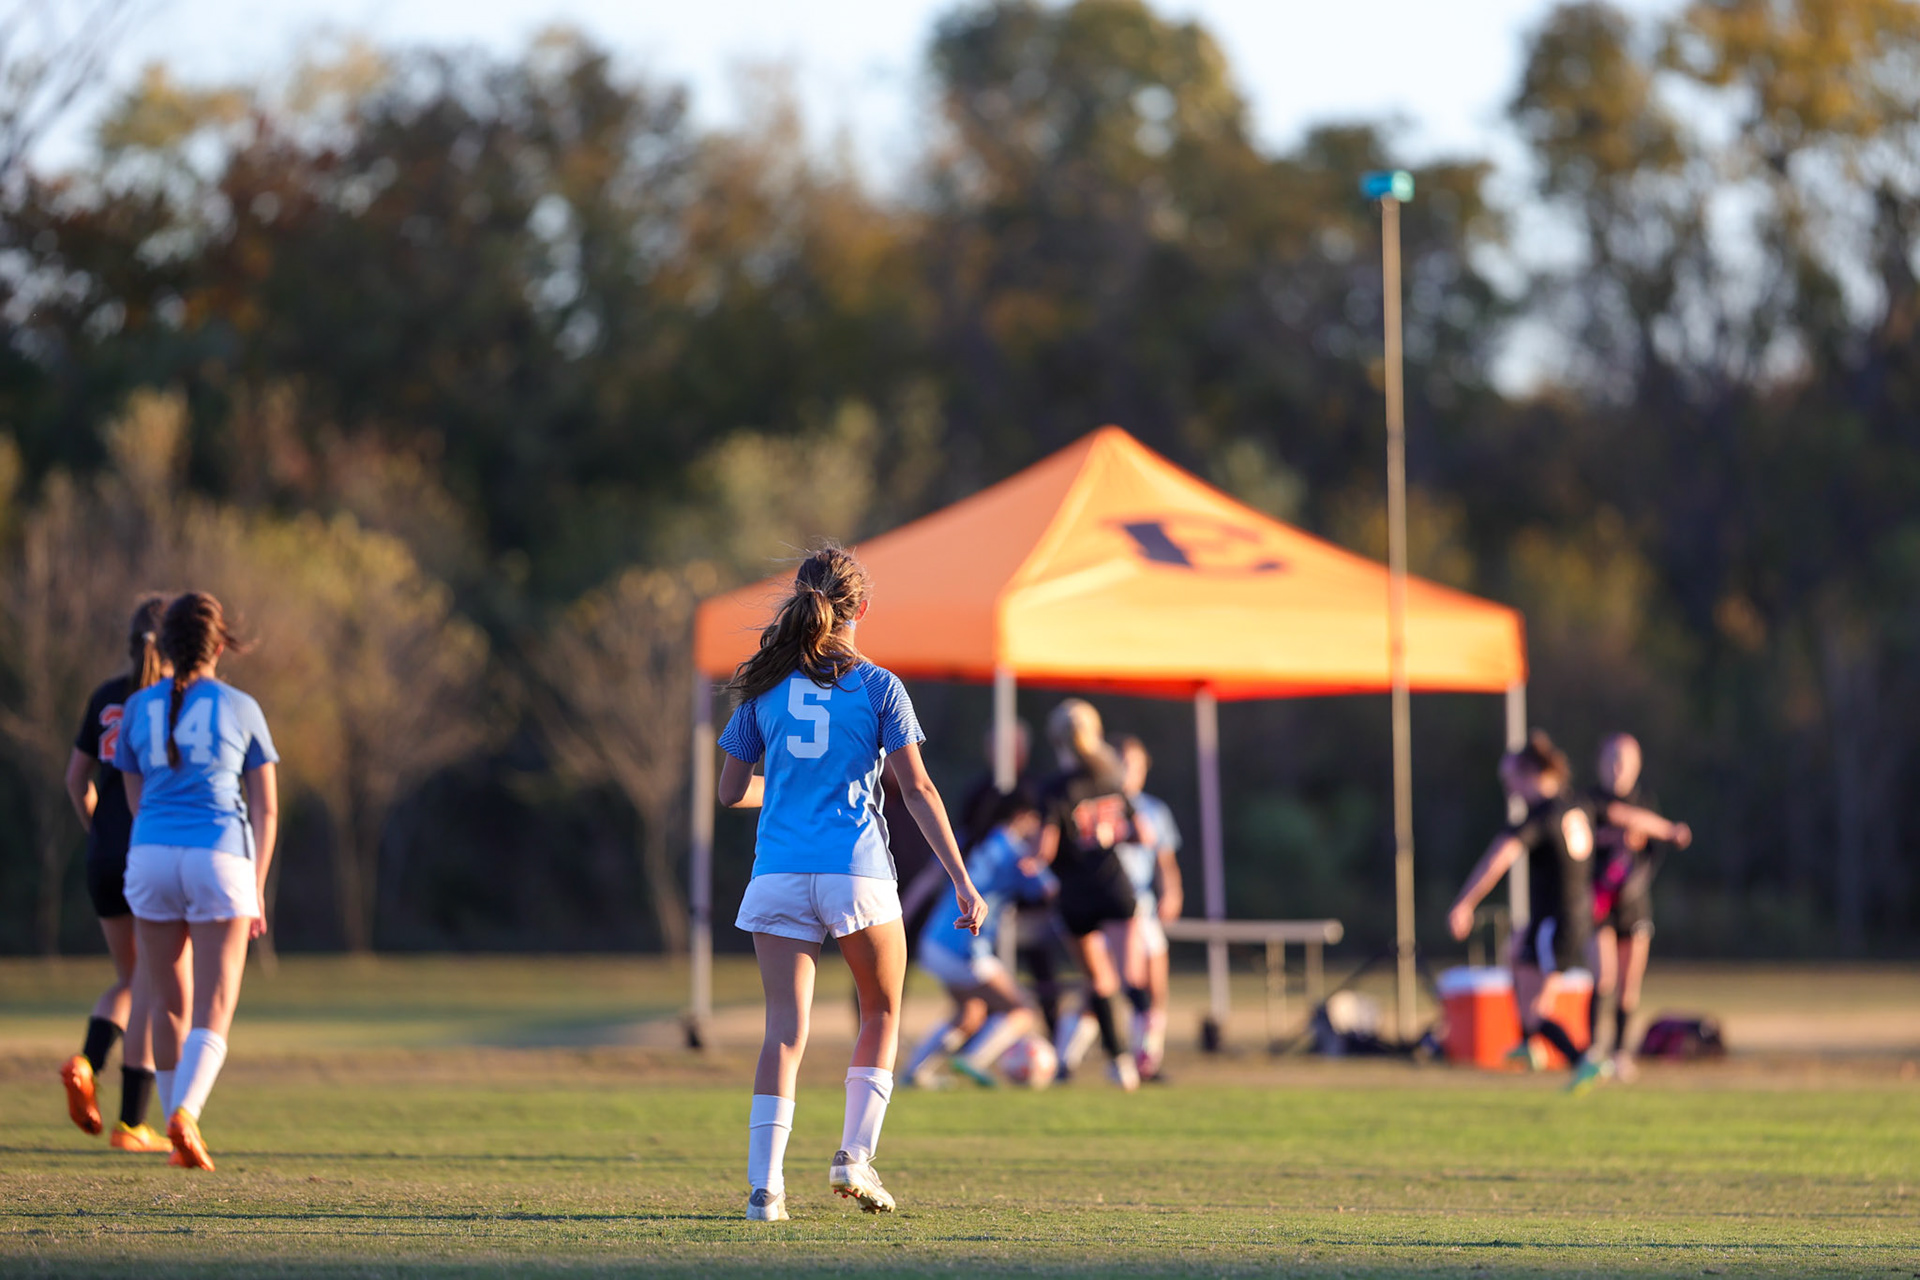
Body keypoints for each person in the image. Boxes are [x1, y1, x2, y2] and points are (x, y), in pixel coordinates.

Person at [717, 545, 985, 1223]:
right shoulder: (879, 686)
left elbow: (729, 791)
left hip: (777, 873)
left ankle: (763, 1191)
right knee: (882, 1013)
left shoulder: (763, 684)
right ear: (862, 608)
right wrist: (962, 880)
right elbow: (917, 789)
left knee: (784, 1031)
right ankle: (853, 1157)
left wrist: (785, 785)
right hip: (856, 872)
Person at [118, 592, 279, 1171]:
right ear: (219, 643)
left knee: (166, 1001)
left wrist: (159, 841)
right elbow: (265, 810)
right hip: (218, 857)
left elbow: (134, 793)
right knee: (215, 1005)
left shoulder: (139, 706)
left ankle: (171, 1127)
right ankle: (185, 1114)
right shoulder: (240, 706)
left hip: (152, 855)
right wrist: (255, 886)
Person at [59, 596, 173, 1153]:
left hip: (104, 856)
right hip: (152, 853)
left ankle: (86, 1060)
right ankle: (132, 1124)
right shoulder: (172, 704)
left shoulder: (107, 696)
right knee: (151, 986)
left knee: (129, 979)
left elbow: (76, 780)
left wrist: (96, 830)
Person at [1447, 730, 1606, 1092]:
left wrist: (1465, 903)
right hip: (1560, 917)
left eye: (1510, 780)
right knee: (1514, 954)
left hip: (1557, 921)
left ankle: (1582, 1059)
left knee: (1536, 1009)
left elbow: (1497, 859)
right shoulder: (1576, 805)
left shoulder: (1540, 817)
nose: (1509, 789)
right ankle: (1530, 1045)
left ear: (1530, 774)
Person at [1030, 699, 1149, 1091]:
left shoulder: (1053, 788)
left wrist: (1026, 862)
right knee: (1128, 977)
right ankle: (1141, 1051)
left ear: (1056, 740)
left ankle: (1119, 1063)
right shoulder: (1110, 777)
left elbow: (1042, 853)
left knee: (1099, 982)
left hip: (1075, 896)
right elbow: (1142, 834)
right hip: (1114, 888)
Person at [902, 790, 1050, 1088]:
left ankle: (913, 1072)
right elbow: (1047, 891)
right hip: (966, 947)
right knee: (1022, 1010)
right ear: (1022, 816)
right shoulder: (1013, 851)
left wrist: (903, 915)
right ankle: (974, 1059)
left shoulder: (967, 838)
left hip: (934, 941)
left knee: (970, 1012)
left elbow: (930, 878)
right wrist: (1042, 856)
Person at [1587, 732, 1691, 1080]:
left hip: (1633, 905)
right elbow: (1616, 819)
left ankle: (1619, 1052)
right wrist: (1662, 830)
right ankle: (1591, 1050)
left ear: (1637, 766)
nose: (1618, 768)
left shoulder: (1646, 801)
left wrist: (1652, 834)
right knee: (1603, 977)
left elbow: (1649, 849)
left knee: (1628, 986)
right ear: (1601, 764)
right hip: (1598, 905)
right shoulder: (1590, 802)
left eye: (1625, 761)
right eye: (1612, 760)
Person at [1113, 735, 1183, 1081]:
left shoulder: (1154, 810)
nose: (1129, 772)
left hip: (1143, 905)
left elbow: (1164, 859)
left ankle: (1147, 1059)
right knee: (1118, 983)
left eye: (1136, 765)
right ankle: (1072, 1056)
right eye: (1123, 763)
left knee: (1154, 983)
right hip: (1114, 908)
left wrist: (1171, 892)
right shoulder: (1103, 805)